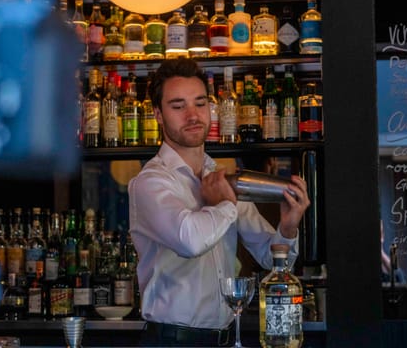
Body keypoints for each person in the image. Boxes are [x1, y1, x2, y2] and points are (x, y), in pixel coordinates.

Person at [128, 58, 310, 347]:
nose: (192, 115)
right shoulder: (151, 183)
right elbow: (189, 240)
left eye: (200, 104)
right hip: (171, 340)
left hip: (225, 339)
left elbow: (271, 258)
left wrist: (287, 227)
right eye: (178, 106)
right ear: (158, 115)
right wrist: (225, 204)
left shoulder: (219, 179)